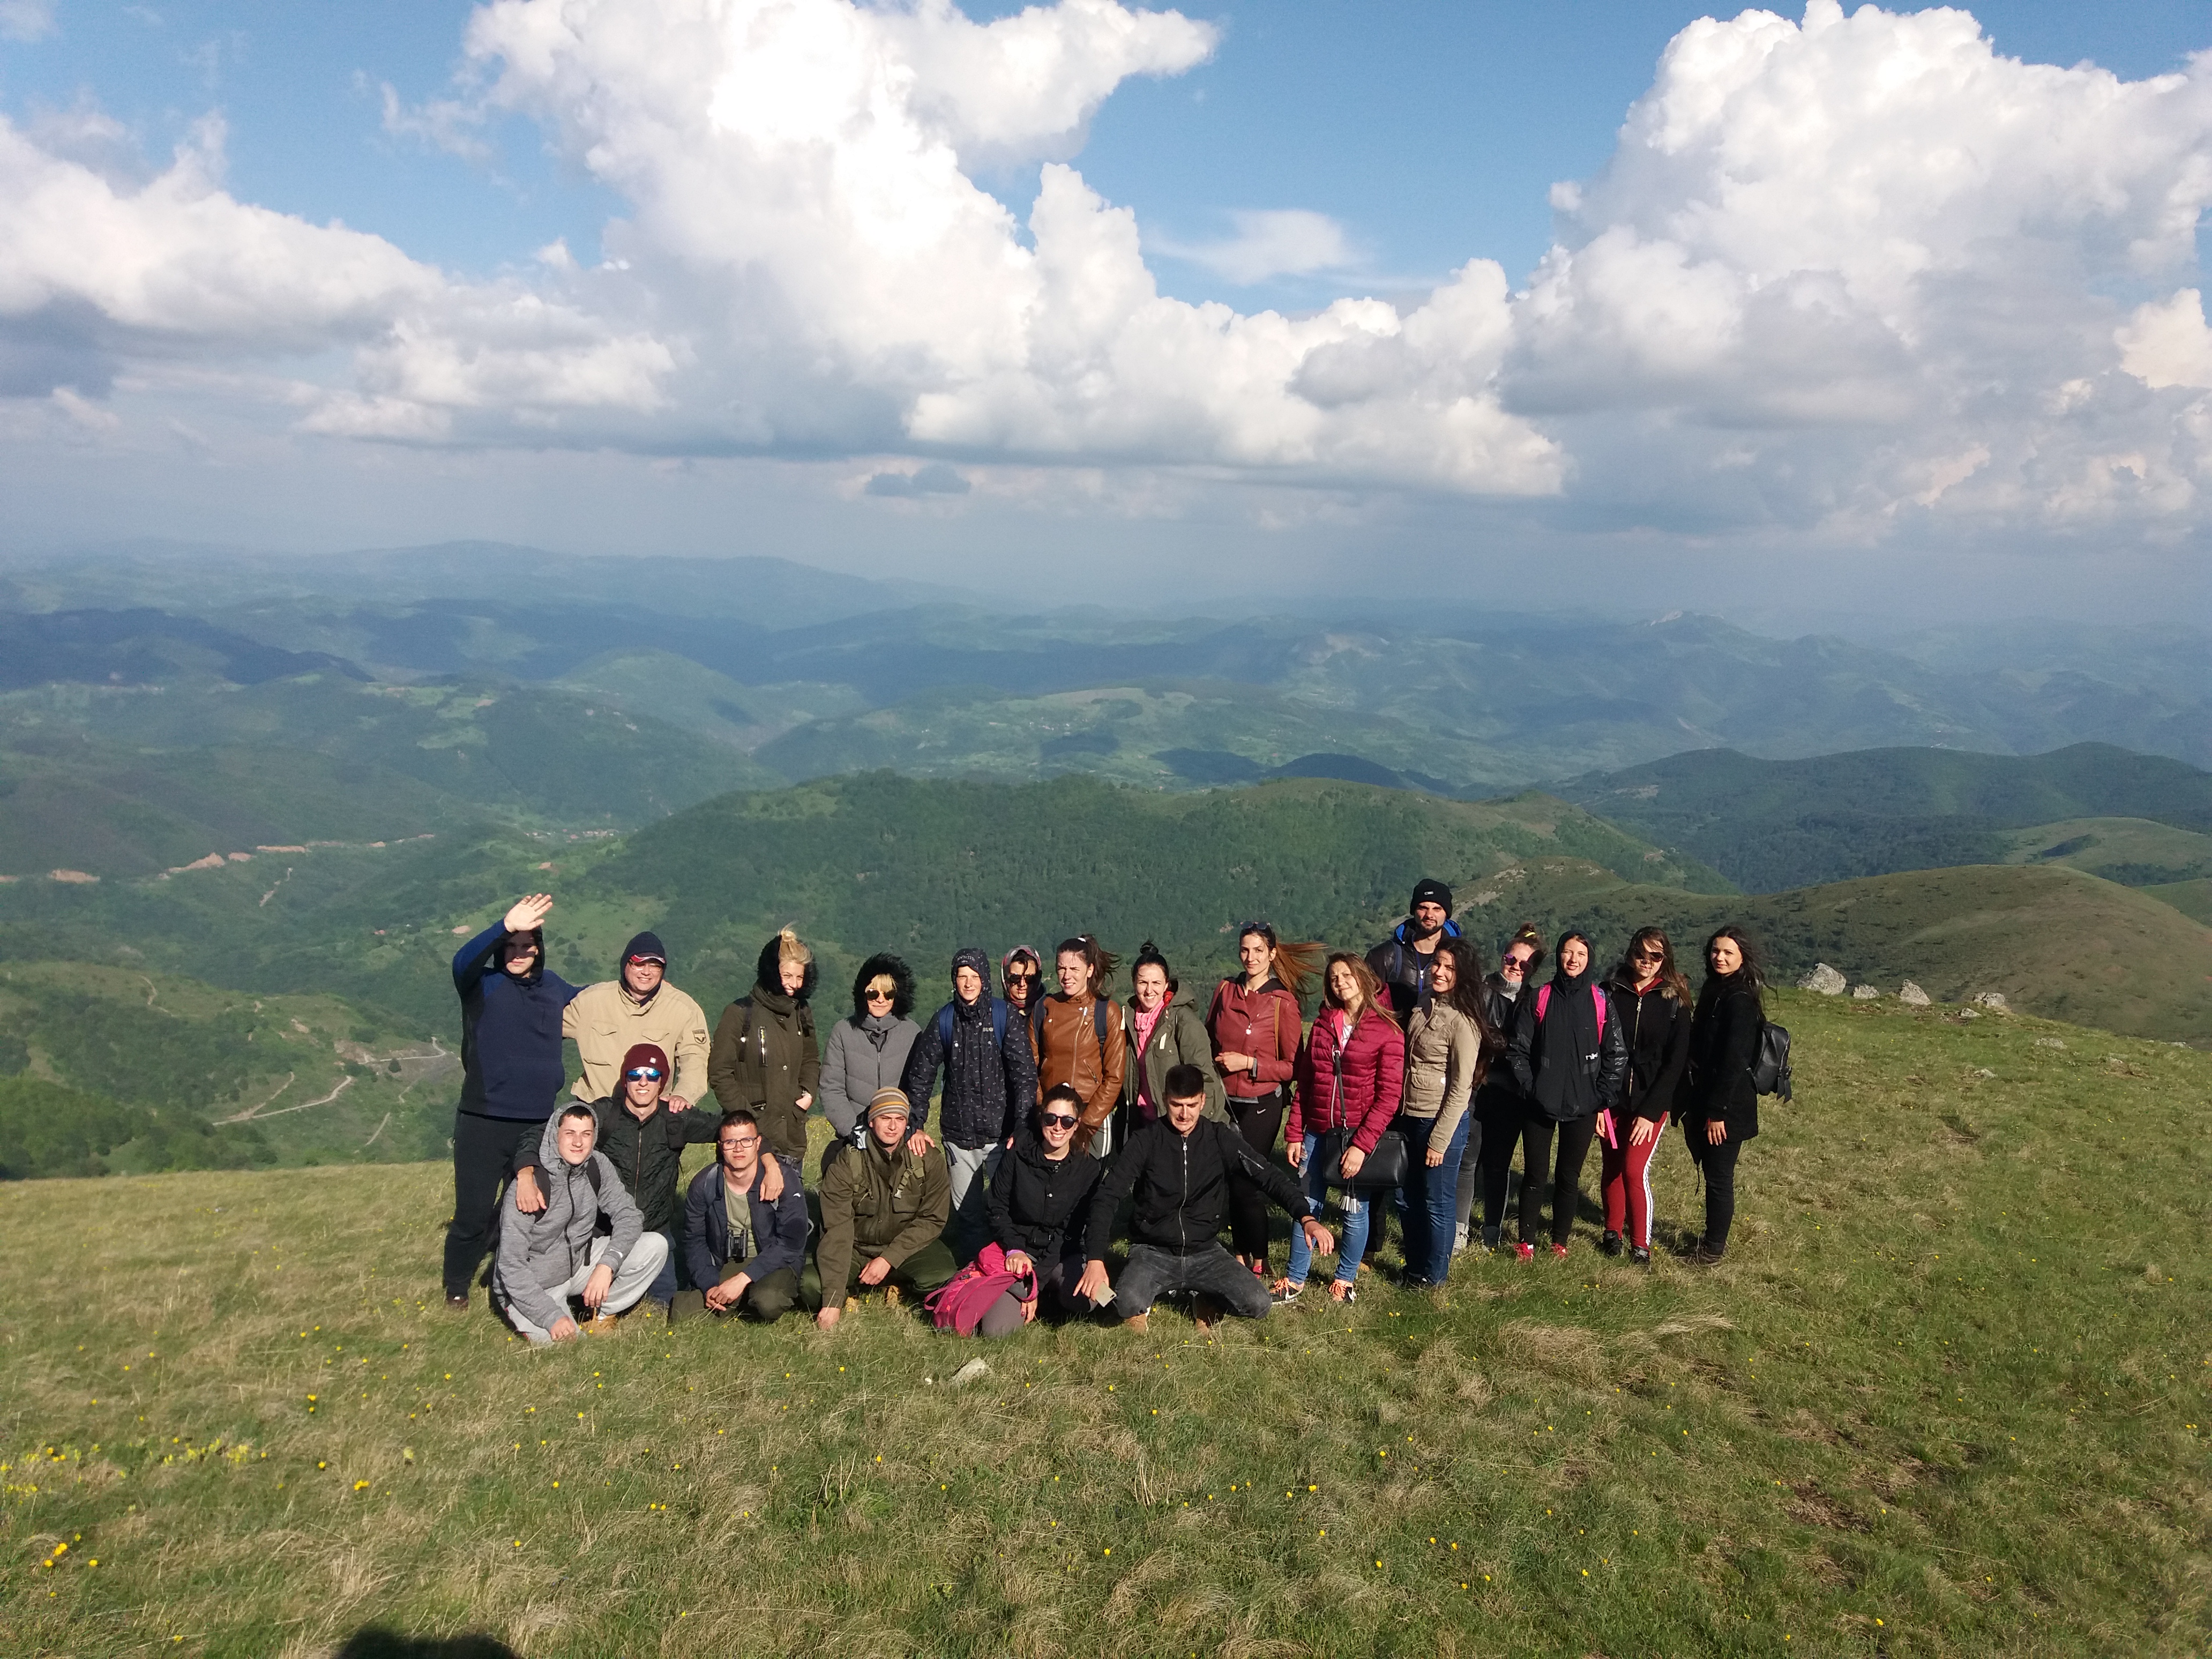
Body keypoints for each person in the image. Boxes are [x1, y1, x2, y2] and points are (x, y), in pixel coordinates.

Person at [1076, 1065, 1333, 1333]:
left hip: (1205, 1252)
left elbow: (1267, 1175)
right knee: (1126, 1303)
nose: (1184, 1114)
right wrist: (1095, 1258)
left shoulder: (1220, 1137)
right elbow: (1108, 1195)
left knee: (1259, 1303)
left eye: (1191, 1105)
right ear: (1166, 1100)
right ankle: (1151, 1299)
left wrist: (1306, 1217)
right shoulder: (1146, 1140)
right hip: (1153, 1251)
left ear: (1203, 1101)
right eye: (1177, 1105)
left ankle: (1205, 1298)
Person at [444, 894, 581, 1310]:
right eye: (511, 947)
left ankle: (516, 1280)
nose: (519, 954)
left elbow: (595, 1002)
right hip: (483, 1119)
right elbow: (461, 962)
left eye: (527, 946)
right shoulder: (481, 984)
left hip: (538, 1121)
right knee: (472, 1213)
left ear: (539, 950)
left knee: (530, 1212)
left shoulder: (553, 986)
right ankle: (456, 1288)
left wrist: (639, 987)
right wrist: (504, 925)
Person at [511, 1041, 721, 1312]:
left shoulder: (676, 1119)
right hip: (601, 1232)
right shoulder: (603, 1114)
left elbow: (731, 1130)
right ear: (625, 1080)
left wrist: (767, 1159)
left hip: (654, 1232)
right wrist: (526, 1173)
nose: (643, 1082)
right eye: (635, 1075)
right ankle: (599, 1303)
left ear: (663, 1083)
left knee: (664, 1306)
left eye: (652, 1075)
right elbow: (540, 1134)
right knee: (577, 1300)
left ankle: (608, 1305)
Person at [1279, 954, 1404, 1304]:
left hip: (1356, 1135)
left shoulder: (1387, 1030)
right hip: (1317, 1131)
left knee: (1355, 1209)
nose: (1340, 982)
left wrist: (1362, 1146)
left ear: (1363, 978)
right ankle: (1295, 1278)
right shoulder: (1322, 1025)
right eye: (1334, 977)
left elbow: (1389, 1095)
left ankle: (1344, 1279)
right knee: (1306, 1204)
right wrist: (1294, 1133)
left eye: (1347, 975)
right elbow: (1306, 1082)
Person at [1496, 930, 1628, 1259]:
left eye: (1581, 954)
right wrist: (1531, 1088)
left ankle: (1560, 1241)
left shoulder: (1600, 1001)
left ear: (1589, 960)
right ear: (1558, 956)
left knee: (1569, 1178)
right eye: (1568, 953)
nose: (1573, 960)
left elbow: (1616, 1054)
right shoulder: (1540, 997)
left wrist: (1601, 1098)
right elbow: (1518, 1050)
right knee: (1535, 1175)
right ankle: (1526, 1240)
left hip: (1584, 1105)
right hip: (1539, 1102)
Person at [900, 946, 1037, 1259]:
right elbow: (922, 1076)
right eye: (961, 976)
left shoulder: (1005, 1017)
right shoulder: (944, 1020)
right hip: (958, 1138)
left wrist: (1022, 1126)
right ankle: (974, 1273)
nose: (968, 983)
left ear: (985, 979)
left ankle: (1011, 1270)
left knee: (1009, 1210)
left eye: (974, 976)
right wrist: (915, 1125)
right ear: (954, 980)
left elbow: (1024, 1076)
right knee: (968, 1215)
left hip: (1002, 1137)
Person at [492, 1103, 669, 1344]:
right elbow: (511, 1266)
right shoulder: (531, 1185)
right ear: (556, 1135)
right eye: (570, 1134)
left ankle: (601, 1314)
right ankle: (551, 1315)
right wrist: (551, 1317)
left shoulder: (596, 1165)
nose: (578, 1143)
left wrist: (607, 1265)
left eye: (586, 1134)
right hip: (535, 1285)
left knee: (655, 1246)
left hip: (578, 1265)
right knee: (572, 1347)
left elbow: (629, 1215)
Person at [1207, 922, 1316, 1278]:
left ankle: (1260, 1260)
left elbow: (1293, 1067)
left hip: (1262, 1105)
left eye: (1258, 951)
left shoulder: (1282, 1002)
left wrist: (1249, 1064)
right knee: (1228, 1181)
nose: (1250, 957)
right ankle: (1241, 1255)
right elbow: (1208, 1040)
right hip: (1224, 1099)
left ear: (1271, 954)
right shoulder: (1225, 991)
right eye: (1245, 950)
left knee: (1247, 1183)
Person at [810, 1088, 956, 1326]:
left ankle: (894, 1284)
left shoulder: (928, 1159)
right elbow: (836, 1229)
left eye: (900, 1119)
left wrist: (888, 1259)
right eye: (885, 1118)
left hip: (907, 1248)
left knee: (943, 1277)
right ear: (871, 1121)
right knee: (811, 1286)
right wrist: (832, 1302)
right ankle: (849, 1292)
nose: (893, 1127)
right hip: (855, 1248)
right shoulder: (847, 1162)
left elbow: (932, 1219)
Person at [1396, 937, 1493, 1287]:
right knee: (1406, 1198)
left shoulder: (1463, 1022)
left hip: (1440, 1123)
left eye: (1449, 968)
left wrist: (1440, 1140)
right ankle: (1414, 1268)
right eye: (1437, 964)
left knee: (1437, 1203)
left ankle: (1433, 1279)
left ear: (1462, 975)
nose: (1439, 971)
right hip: (1408, 1115)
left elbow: (1461, 1087)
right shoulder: (1423, 1004)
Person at [975, 1083, 1104, 1336]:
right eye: (1051, 1118)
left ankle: (1038, 1294)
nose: (1058, 1127)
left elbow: (1072, 1228)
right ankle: (1016, 1293)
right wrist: (1014, 1248)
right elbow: (996, 1207)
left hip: (1060, 1253)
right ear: (1041, 1119)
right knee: (997, 1331)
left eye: (1067, 1121)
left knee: (1094, 1299)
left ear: (1076, 1125)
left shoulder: (1088, 1169)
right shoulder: (1017, 1153)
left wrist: (1035, 1283)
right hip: (1016, 1250)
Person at [1599, 928, 1693, 1265]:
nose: (1648, 962)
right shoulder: (1610, 990)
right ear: (1630, 953)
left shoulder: (1675, 999)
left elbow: (1676, 1063)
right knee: (1611, 1164)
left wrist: (1651, 1112)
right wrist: (1601, 1101)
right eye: (1642, 954)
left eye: (1656, 956)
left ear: (1665, 958)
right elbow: (1599, 1047)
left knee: (1633, 1169)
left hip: (1650, 1101)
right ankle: (1613, 1231)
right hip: (1612, 1098)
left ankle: (1641, 1244)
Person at [671, 1109, 810, 1324]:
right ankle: (738, 1299)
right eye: (730, 1142)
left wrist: (742, 1280)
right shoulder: (704, 1184)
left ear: (758, 1143)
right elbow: (694, 1241)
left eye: (746, 1140)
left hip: (774, 1260)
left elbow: (791, 1244)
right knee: (683, 1314)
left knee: (768, 1301)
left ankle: (753, 1295)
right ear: (720, 1146)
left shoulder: (783, 1179)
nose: (738, 1149)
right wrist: (709, 1285)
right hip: (729, 1260)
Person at [1679, 926, 1766, 1265]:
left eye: (1728, 952)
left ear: (1742, 957)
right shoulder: (1716, 990)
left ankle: (1713, 1249)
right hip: (1709, 1101)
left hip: (1726, 1107)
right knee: (1715, 1172)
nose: (1720, 957)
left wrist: (1717, 1112)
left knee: (1719, 1178)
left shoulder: (1740, 1000)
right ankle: (1711, 1240)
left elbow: (1734, 1060)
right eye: (1716, 951)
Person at [1455, 924, 1541, 1251]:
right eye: (1511, 959)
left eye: (1524, 964)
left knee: (1498, 1163)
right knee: (1468, 1156)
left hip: (1511, 1092)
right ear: (1502, 956)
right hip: (1477, 1085)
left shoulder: (1534, 999)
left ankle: (1492, 1227)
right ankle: (1461, 1228)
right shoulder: (1480, 989)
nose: (1516, 967)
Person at [561, 931, 711, 1113]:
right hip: (595, 1113)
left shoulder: (684, 1009)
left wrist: (683, 1095)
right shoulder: (591, 1002)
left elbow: (695, 1059)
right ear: (626, 964)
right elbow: (542, 1027)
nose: (646, 972)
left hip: (651, 1117)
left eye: (655, 966)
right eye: (639, 964)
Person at [708, 928, 820, 1169]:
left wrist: (807, 1094)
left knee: (788, 1206)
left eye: (799, 978)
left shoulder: (802, 1012)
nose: (794, 985)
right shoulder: (739, 1013)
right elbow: (719, 1073)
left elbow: (811, 1059)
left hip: (792, 1137)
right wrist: (746, 1121)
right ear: (772, 972)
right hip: (747, 1145)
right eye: (787, 976)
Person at [818, 953, 920, 1173]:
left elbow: (919, 1088)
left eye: (889, 993)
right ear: (862, 994)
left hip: (899, 1134)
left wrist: (907, 1126)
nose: (881, 999)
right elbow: (831, 1087)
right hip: (855, 1134)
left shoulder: (913, 1033)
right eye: (873, 993)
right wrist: (854, 1131)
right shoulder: (843, 1031)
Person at [1030, 935, 1127, 1157]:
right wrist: (1044, 1112)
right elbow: (1030, 1067)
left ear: (1090, 970)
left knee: (1091, 1187)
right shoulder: (1044, 1008)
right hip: (1052, 1118)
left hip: (1090, 1113)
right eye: (1062, 968)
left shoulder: (1106, 1012)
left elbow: (1114, 1077)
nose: (1067, 976)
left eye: (1075, 968)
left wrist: (1087, 1124)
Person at [1125, 941, 1228, 1129]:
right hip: (1142, 1124)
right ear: (1134, 984)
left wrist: (1202, 1128)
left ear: (1166, 985)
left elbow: (1205, 1078)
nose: (1149, 990)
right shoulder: (1126, 1022)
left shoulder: (1183, 1021)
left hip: (1180, 1124)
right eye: (1143, 983)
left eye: (1156, 983)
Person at [1366, 878, 1462, 1020]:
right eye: (1423, 908)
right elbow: (1364, 1004)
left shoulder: (1460, 958)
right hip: (1391, 1038)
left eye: (1437, 909)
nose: (1430, 915)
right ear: (1414, 911)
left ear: (1446, 914)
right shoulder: (1384, 957)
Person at [1001, 947, 1045, 1020]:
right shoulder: (996, 1013)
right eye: (1015, 978)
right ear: (1005, 978)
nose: (1022, 984)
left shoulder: (1049, 1010)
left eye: (1029, 978)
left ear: (1038, 978)